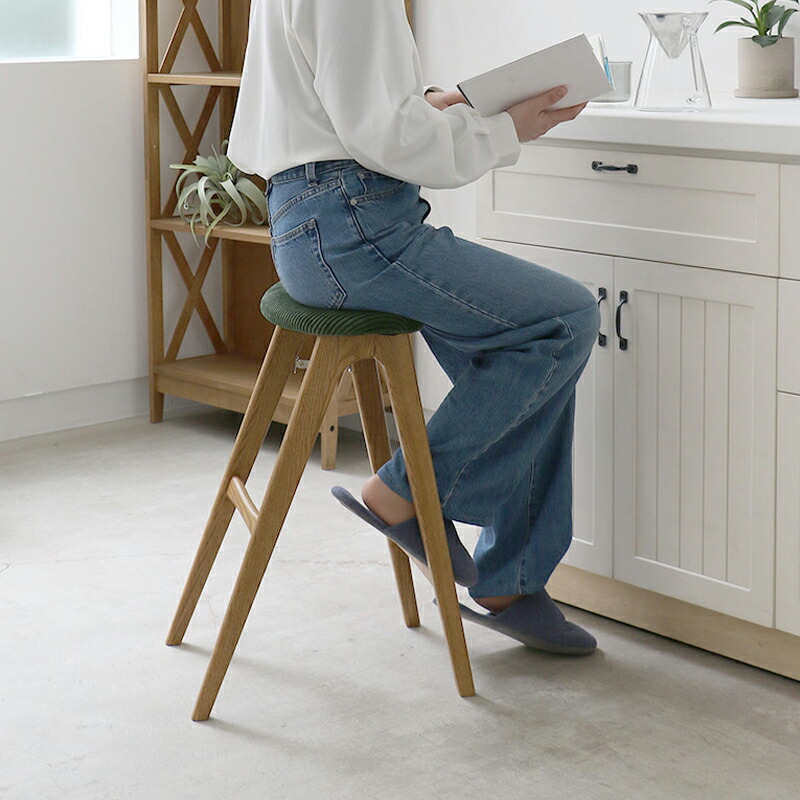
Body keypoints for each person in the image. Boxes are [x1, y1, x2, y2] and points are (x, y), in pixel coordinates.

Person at [228, 0, 601, 654]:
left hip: (320, 220)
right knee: (563, 321)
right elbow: (384, 138)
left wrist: (440, 102)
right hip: (355, 226)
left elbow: (337, 108)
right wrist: (504, 129)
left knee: (527, 351)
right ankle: (402, 496)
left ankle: (509, 579)